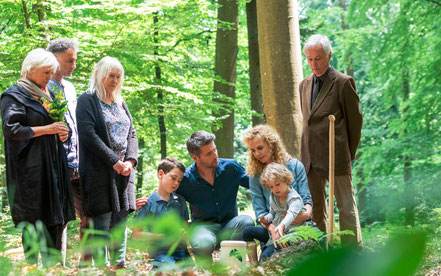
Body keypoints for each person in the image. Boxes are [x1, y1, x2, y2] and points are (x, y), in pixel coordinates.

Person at [0, 48, 75, 266]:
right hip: (30, 172)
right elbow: (12, 130)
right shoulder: (13, 96)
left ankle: (53, 267)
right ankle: (31, 268)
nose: (49, 78)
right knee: (33, 220)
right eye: (45, 73)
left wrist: (63, 133)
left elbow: (59, 128)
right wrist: (47, 128)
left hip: (53, 168)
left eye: (52, 73)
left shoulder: (47, 96)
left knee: (54, 218)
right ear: (30, 70)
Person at [137, 131, 254, 258]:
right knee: (203, 243)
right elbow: (165, 193)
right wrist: (147, 201)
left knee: (246, 221)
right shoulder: (186, 180)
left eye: (214, 150)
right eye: (209, 153)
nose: (215, 155)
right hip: (202, 229)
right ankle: (206, 269)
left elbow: (257, 185)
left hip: (230, 225)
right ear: (195, 157)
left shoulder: (231, 167)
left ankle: (231, 261)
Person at [299, 34, 363, 248]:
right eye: (309, 59)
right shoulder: (304, 85)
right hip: (309, 157)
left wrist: (347, 154)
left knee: (345, 207)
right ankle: (320, 252)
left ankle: (351, 253)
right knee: (315, 208)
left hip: (336, 155)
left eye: (317, 58)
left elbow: (355, 123)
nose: (313, 64)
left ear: (328, 56)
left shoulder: (343, 83)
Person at [76, 56, 138, 268]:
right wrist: (113, 160)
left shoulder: (121, 102)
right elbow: (88, 134)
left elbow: (132, 134)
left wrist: (130, 160)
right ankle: (102, 269)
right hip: (98, 172)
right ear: (99, 75)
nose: (114, 80)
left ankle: (118, 266)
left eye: (118, 76)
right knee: (101, 223)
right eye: (110, 75)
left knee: (120, 224)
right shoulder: (87, 100)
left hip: (123, 174)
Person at [46, 38, 90, 265]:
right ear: (54, 60)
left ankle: (87, 265)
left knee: (89, 215)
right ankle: (57, 267)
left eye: (75, 60)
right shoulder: (43, 89)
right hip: (58, 164)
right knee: (59, 218)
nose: (74, 64)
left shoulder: (71, 88)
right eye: (69, 60)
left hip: (79, 164)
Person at [242, 125, 313, 254]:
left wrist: (305, 215)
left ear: (271, 144)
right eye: (253, 150)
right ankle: (253, 267)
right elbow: (260, 212)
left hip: (298, 225)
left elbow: (307, 199)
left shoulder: (295, 166)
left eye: (260, 148)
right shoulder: (255, 175)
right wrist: (273, 230)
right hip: (271, 226)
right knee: (265, 256)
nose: (257, 154)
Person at [133, 157, 191, 268]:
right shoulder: (147, 203)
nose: (176, 183)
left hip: (181, 251)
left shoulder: (180, 201)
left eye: (179, 180)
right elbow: (136, 234)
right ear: (161, 174)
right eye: (173, 178)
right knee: (168, 269)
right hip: (160, 253)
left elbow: (186, 229)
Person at [243, 163, 305, 263]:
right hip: (274, 233)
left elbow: (291, 214)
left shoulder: (294, 198)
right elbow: (272, 213)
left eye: (277, 184)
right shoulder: (273, 196)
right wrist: (266, 219)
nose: (275, 189)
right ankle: (253, 266)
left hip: (289, 235)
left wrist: (281, 226)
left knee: (265, 257)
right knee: (247, 231)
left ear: (286, 180)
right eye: (271, 186)